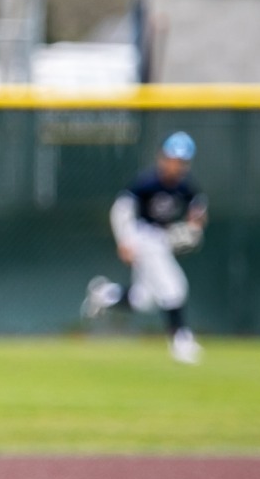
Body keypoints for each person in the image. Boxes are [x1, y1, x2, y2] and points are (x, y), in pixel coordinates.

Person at [83, 131, 208, 364]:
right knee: (175, 287)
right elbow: (120, 209)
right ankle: (180, 341)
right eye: (173, 159)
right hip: (143, 237)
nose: (176, 166)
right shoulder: (147, 182)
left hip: (162, 240)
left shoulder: (186, 187)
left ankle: (103, 294)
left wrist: (194, 223)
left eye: (182, 162)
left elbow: (198, 210)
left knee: (144, 300)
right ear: (163, 158)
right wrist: (125, 240)